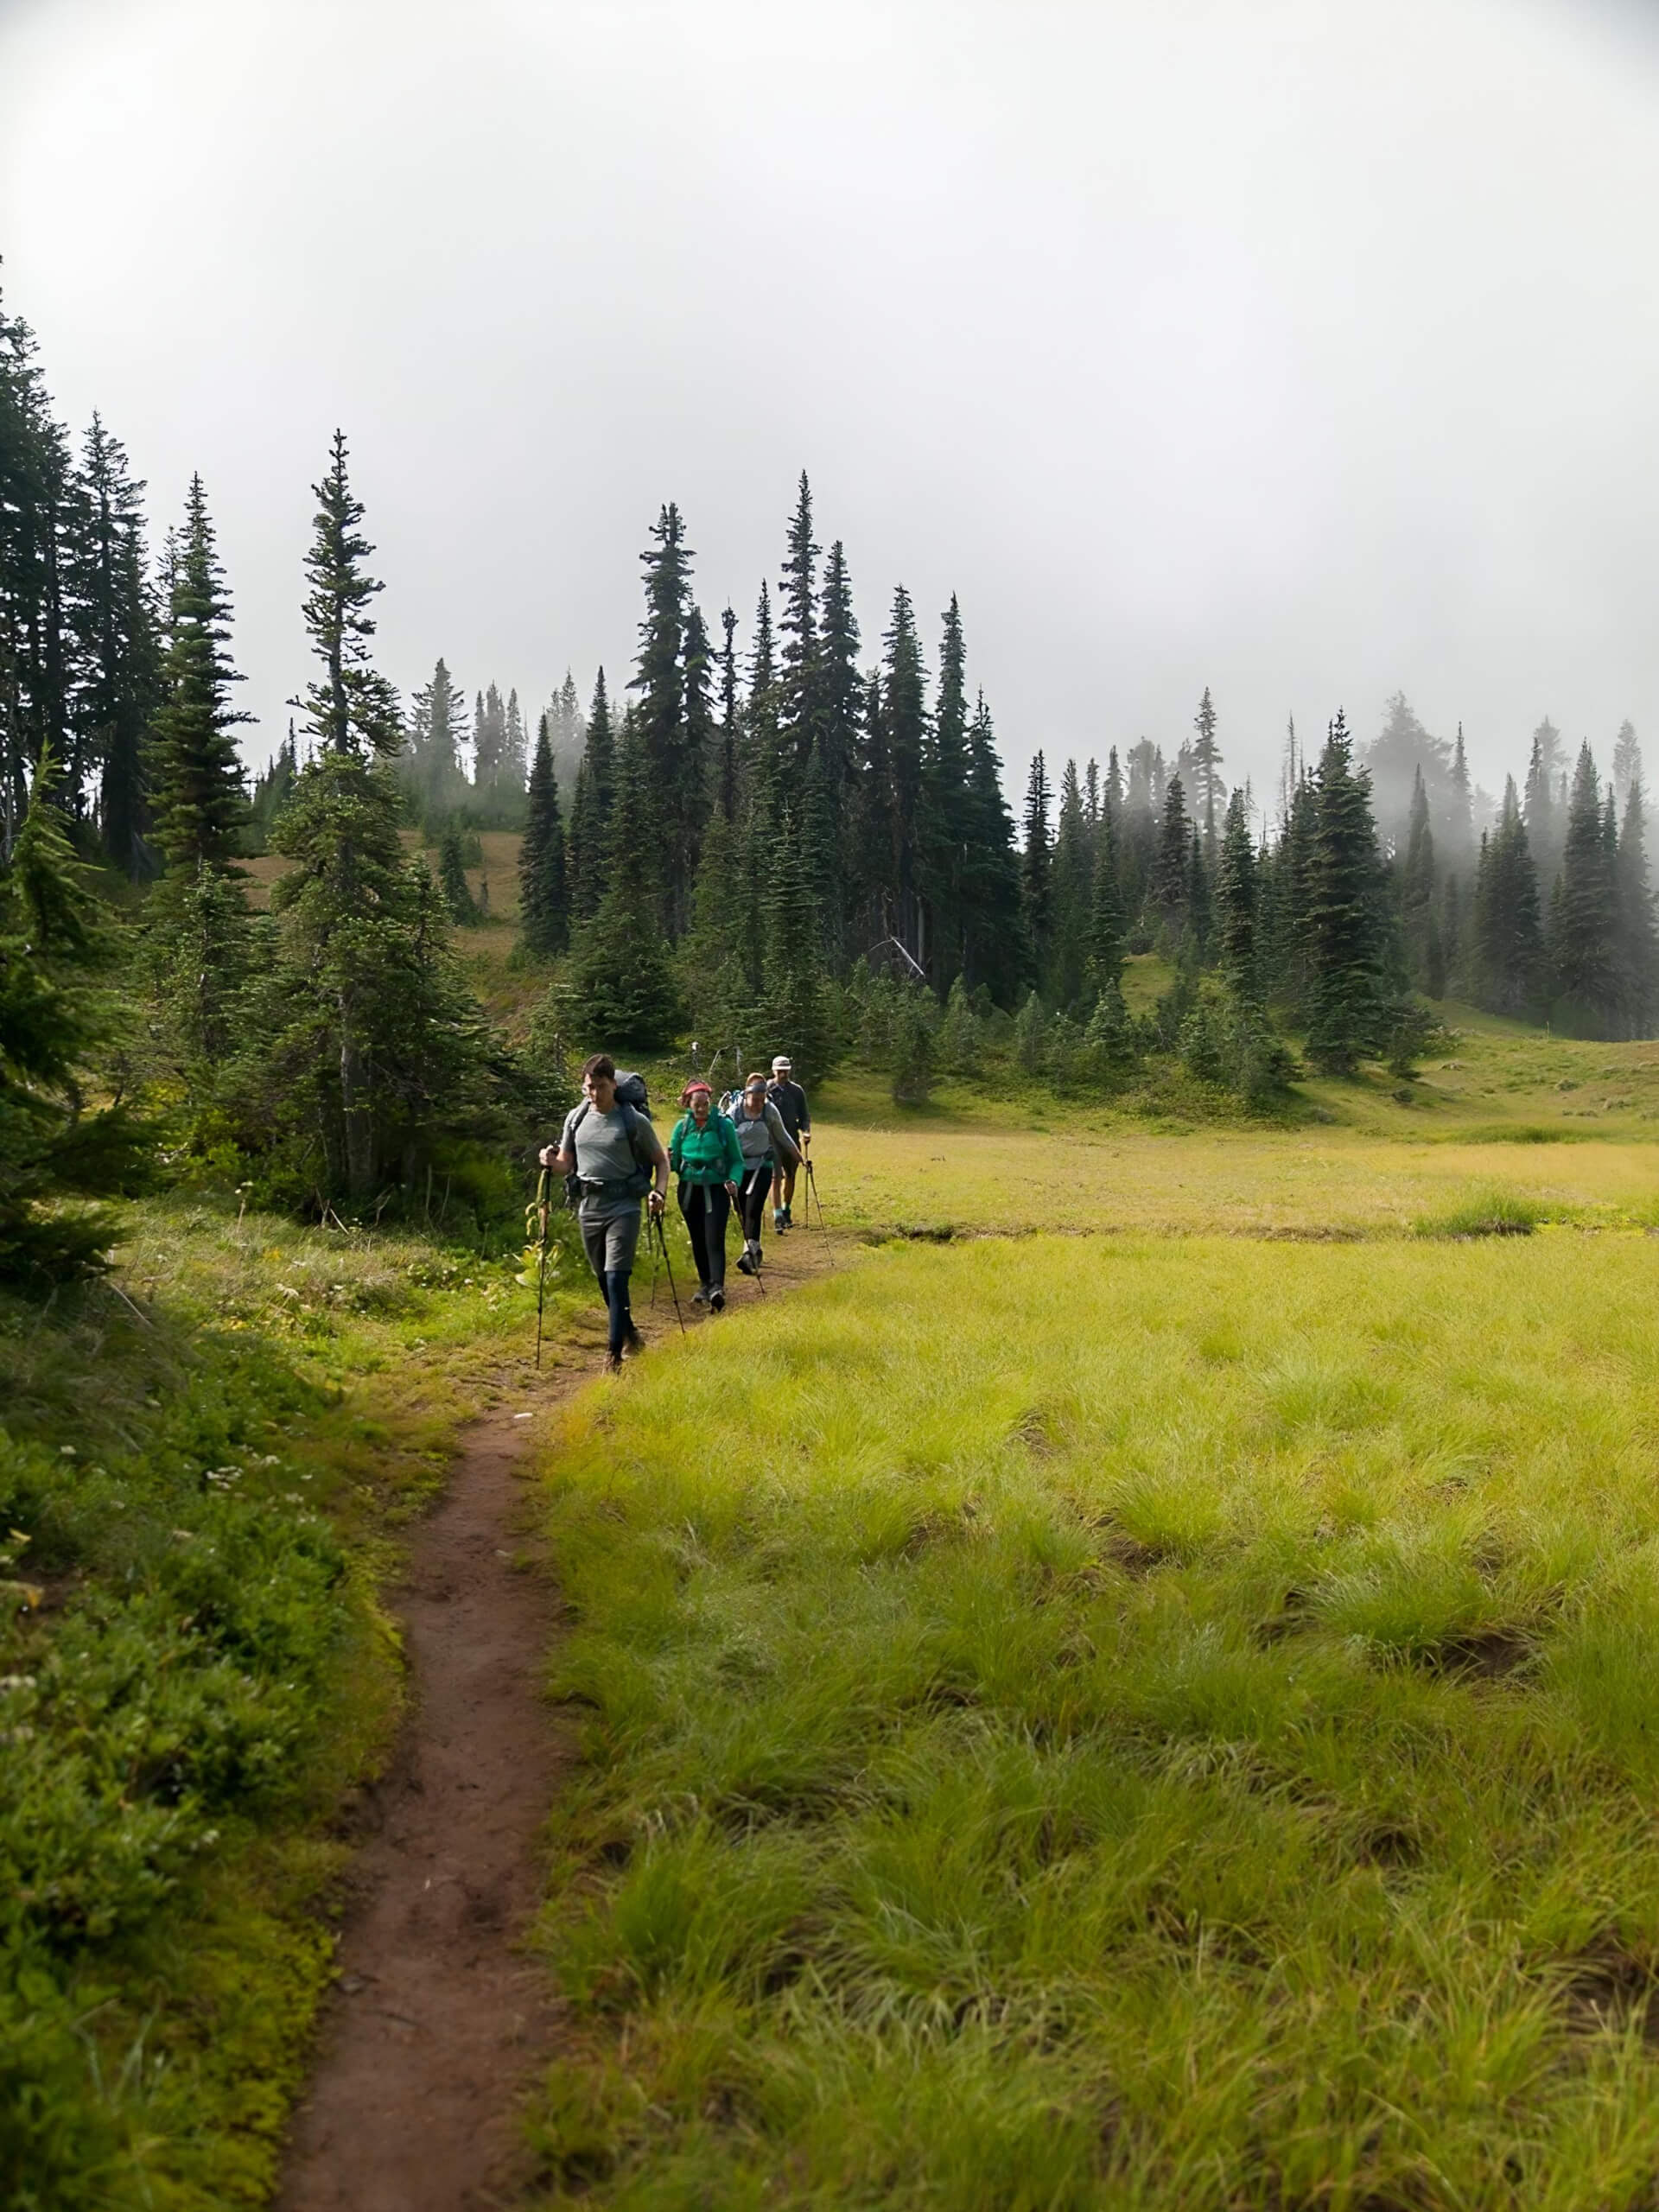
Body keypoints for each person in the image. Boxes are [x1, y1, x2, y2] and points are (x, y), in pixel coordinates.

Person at [540, 1053, 667, 1372]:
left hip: (624, 1206)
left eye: (600, 1087)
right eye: (589, 1087)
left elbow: (661, 1160)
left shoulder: (633, 1120)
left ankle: (613, 1354)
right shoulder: (576, 1119)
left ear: (613, 1084)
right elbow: (566, 1164)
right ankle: (630, 1333)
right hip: (590, 1207)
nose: (594, 1094)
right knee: (603, 1280)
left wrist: (660, 1192)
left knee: (616, 1278)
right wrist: (549, 1161)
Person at [667, 1081, 742, 1312]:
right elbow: (674, 1162)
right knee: (698, 1238)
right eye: (697, 1104)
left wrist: (734, 1180)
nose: (701, 1108)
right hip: (689, 1191)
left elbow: (737, 1160)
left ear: (710, 1103)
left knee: (713, 1237)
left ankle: (717, 1287)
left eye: (705, 1104)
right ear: (689, 1104)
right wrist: (669, 1158)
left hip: (717, 1189)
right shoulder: (681, 1128)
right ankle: (705, 1284)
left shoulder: (723, 1126)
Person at [728, 1071, 800, 1276]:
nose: (758, 1104)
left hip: (763, 1164)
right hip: (739, 1167)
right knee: (741, 1209)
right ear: (746, 1095)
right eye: (755, 1100)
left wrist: (797, 1155)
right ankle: (754, 1248)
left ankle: (748, 1253)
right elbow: (725, 1137)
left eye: (762, 1100)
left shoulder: (770, 1111)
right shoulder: (735, 1112)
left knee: (754, 1205)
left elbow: (782, 1134)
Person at [766, 1053, 811, 1231]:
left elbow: (804, 1115)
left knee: (791, 1175)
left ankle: (786, 1210)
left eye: (785, 1071)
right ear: (773, 1071)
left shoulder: (797, 1091)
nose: (783, 1075)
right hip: (772, 1140)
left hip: (791, 1137)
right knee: (775, 1177)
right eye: (780, 1071)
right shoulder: (767, 1089)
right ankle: (777, 1214)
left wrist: (806, 1132)